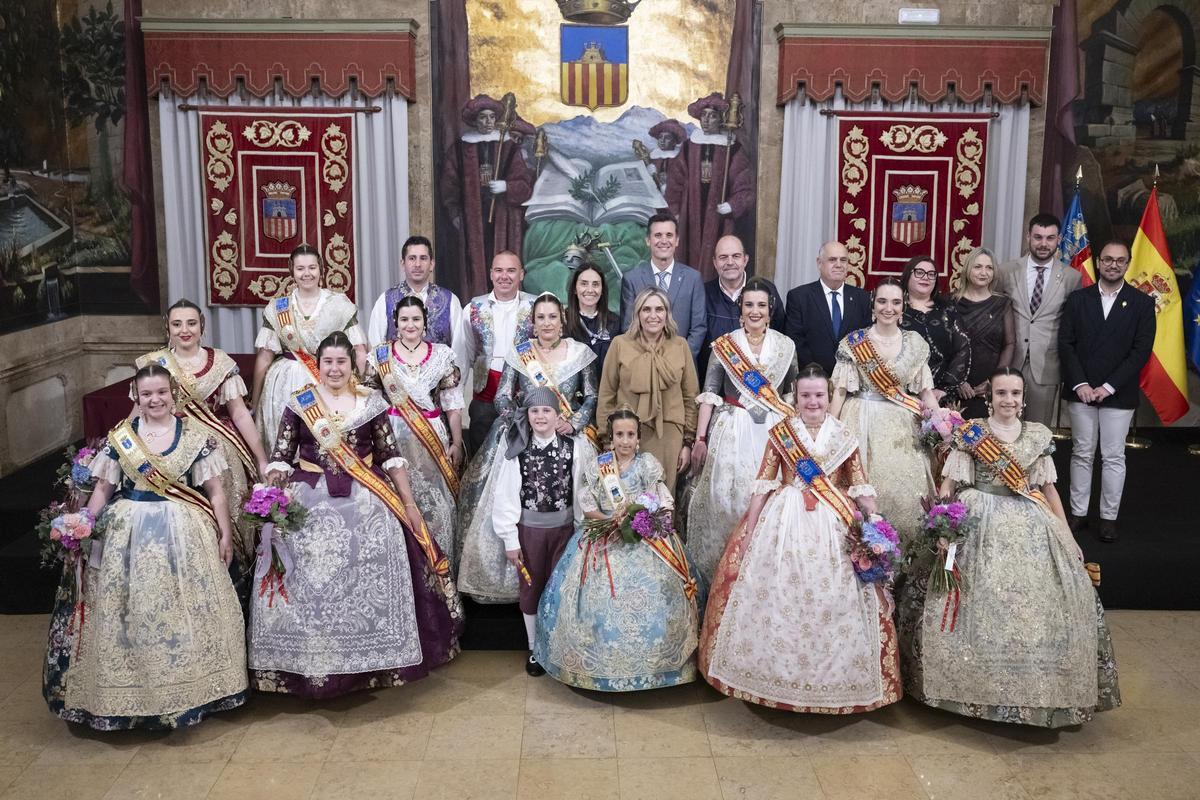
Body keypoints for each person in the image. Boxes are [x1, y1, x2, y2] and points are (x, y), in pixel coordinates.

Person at [897, 368, 1121, 727]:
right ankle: (969, 686)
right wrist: (943, 526)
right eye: (1001, 393)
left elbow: (1048, 491)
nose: (1008, 400)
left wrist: (1067, 535)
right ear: (990, 398)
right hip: (978, 518)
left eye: (1015, 393)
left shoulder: (1037, 436)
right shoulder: (972, 433)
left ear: (1024, 398)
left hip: (1030, 519)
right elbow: (948, 486)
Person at [251, 332, 463, 697]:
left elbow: (391, 458)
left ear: (353, 366)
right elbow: (281, 457)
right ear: (319, 365)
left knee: (383, 540)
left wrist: (409, 505)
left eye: (341, 362)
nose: (334, 369)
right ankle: (309, 659)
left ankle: (374, 661)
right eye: (328, 362)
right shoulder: (300, 402)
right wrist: (271, 499)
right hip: (308, 495)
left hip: (367, 496)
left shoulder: (371, 403)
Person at [44, 364, 247, 729]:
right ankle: (129, 693)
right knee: (131, 610)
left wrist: (225, 533)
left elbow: (215, 492)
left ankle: (193, 689)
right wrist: (84, 523)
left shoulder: (196, 437)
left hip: (185, 531)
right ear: (136, 397)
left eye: (162, 392)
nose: (155, 400)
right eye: (147, 394)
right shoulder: (122, 437)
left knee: (182, 609)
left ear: (174, 395)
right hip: (127, 533)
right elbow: (103, 489)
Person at [699, 364, 901, 713]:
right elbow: (763, 484)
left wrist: (876, 521)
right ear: (796, 397)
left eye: (819, 395)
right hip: (783, 521)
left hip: (833, 525)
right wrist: (749, 530)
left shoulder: (843, 435)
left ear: (829, 395)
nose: (812, 402)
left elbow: (859, 485)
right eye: (805, 395)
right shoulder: (782, 433)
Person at [536, 407, 701, 690]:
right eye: (619, 435)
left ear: (638, 438)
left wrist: (646, 519)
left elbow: (661, 499)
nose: (625, 441)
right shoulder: (599, 466)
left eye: (630, 435)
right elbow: (587, 504)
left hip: (644, 537)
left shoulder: (647, 464)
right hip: (605, 534)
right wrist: (610, 520)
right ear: (610, 438)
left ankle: (657, 665)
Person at [457, 292, 598, 604]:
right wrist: (522, 422)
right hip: (524, 435)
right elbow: (502, 397)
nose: (547, 323)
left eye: (552, 317)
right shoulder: (520, 354)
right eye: (540, 317)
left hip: (567, 435)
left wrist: (575, 422)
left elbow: (591, 397)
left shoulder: (581, 354)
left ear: (562, 320)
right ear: (532, 323)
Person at [135, 299, 269, 603]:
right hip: (166, 445)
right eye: (177, 324)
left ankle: (231, 580)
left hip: (215, 448)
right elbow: (138, 415)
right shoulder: (153, 363)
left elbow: (239, 414)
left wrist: (261, 458)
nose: (185, 330)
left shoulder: (220, 363)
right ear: (167, 327)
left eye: (191, 323)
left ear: (202, 326)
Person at [687, 278, 797, 584]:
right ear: (741, 309)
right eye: (749, 305)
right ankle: (725, 577)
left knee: (769, 502)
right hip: (732, 428)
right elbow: (710, 394)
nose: (755, 311)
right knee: (728, 501)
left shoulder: (785, 346)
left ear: (770, 310)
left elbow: (790, 397)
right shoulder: (725, 345)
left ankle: (762, 578)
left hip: (773, 432)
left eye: (761, 305)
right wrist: (700, 439)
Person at [1058, 240, 1156, 542]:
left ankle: (1108, 518)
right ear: (1099, 262)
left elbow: (1141, 351)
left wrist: (1109, 386)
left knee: (1113, 456)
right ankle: (1078, 514)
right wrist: (1081, 384)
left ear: (1127, 264)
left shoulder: (1142, 303)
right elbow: (1066, 344)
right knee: (1082, 453)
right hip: (1082, 392)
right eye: (1108, 259)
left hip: (1118, 393)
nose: (1113, 265)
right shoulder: (1078, 300)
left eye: (1120, 260)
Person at [830, 279, 938, 546]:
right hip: (860, 420)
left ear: (903, 307)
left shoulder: (915, 343)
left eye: (895, 302)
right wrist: (828, 431)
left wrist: (942, 423)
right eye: (882, 301)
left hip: (903, 426)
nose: (888, 308)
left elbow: (925, 392)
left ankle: (903, 558)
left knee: (905, 494)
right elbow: (840, 392)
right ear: (873, 306)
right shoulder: (854, 343)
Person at [367, 295, 466, 567]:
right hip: (392, 439)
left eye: (416, 319)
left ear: (425, 322)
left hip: (431, 438)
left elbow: (452, 403)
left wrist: (457, 442)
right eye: (404, 319)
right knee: (399, 503)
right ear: (395, 323)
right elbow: (370, 403)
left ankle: (441, 571)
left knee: (437, 505)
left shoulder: (442, 355)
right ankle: (408, 572)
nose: (410, 325)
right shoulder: (381, 356)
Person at [492, 387, 583, 676]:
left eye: (546, 410)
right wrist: (510, 539)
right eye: (534, 411)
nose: (540, 416)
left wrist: (580, 530)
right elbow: (506, 497)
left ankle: (556, 645)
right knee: (531, 588)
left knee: (560, 588)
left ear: (558, 415)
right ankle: (534, 648)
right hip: (529, 532)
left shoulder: (574, 448)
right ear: (527, 415)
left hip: (564, 532)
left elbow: (580, 492)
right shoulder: (518, 450)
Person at [251, 244, 367, 452]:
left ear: (321, 269)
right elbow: (264, 357)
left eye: (312, 268)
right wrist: (256, 399)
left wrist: (360, 387)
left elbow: (359, 349)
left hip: (330, 377)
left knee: (325, 446)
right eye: (300, 268)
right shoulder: (278, 307)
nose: (307, 274)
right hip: (284, 385)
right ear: (292, 271)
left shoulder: (339, 304)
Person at [599, 287, 699, 493]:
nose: (653, 315)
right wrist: (606, 439)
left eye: (659, 309)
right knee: (628, 496)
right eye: (646, 309)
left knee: (663, 497)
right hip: (628, 434)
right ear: (637, 314)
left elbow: (690, 396)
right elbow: (607, 393)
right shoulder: (620, 344)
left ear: (667, 314)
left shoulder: (680, 345)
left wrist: (687, 442)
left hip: (669, 435)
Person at [996, 213, 1082, 426]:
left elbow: (1073, 326)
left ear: (1058, 240)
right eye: (1038, 237)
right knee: (1003, 429)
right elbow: (995, 314)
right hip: (1009, 362)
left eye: (1050, 238)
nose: (1044, 244)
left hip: (1046, 366)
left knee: (1038, 432)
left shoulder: (1072, 277)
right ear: (1028, 237)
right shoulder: (1006, 271)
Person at [439, 94, 533, 287]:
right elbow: (450, 184)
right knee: (476, 262)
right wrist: (455, 213)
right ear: (475, 120)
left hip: (503, 217)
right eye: (483, 117)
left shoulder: (508, 147)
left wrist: (506, 186)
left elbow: (524, 185)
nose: (488, 122)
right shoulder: (460, 149)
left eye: (492, 117)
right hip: (473, 217)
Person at [454, 251, 536, 453]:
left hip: (526, 398)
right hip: (485, 398)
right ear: (491, 274)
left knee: (522, 457)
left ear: (521, 274)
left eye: (511, 270)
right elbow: (463, 357)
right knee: (482, 456)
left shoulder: (536, 306)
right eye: (499, 270)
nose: (504, 276)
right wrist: (455, 402)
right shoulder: (473, 308)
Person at [665, 92, 754, 275]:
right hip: (690, 214)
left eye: (712, 116)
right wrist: (675, 211)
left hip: (720, 217)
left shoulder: (732, 149)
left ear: (721, 119)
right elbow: (675, 181)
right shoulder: (689, 147)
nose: (706, 120)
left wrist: (732, 205)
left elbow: (744, 184)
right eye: (703, 115)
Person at [619, 212, 707, 360]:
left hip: (682, 365)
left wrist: (679, 359)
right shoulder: (632, 279)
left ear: (677, 240)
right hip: (644, 364)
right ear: (648, 240)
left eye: (669, 235)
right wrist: (651, 360)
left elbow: (699, 327)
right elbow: (628, 327)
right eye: (658, 235)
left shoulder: (693, 278)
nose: (664, 240)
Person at [700, 234, 785, 376]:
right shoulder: (703, 294)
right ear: (714, 262)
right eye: (723, 257)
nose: (730, 262)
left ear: (745, 260)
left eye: (736, 256)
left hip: (759, 381)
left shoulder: (767, 290)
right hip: (714, 379)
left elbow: (780, 335)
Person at [784, 241, 872, 375]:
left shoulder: (862, 298)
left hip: (852, 379)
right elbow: (795, 341)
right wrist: (816, 375)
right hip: (812, 379)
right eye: (832, 260)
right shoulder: (799, 297)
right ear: (819, 263)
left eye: (843, 260)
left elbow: (866, 339)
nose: (839, 264)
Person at [899, 255, 972, 406]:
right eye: (919, 272)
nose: (926, 277)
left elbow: (962, 349)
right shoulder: (895, 309)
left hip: (942, 396)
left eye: (931, 274)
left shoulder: (948, 310)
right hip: (903, 395)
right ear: (907, 276)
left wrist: (944, 388)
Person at [367, 235, 464, 347]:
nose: (418, 264)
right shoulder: (385, 300)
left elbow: (460, 350)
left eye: (423, 258)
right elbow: (375, 347)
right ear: (403, 264)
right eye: (412, 258)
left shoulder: (450, 301)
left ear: (431, 264)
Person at [953, 247, 1016, 419]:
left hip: (990, 389)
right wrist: (957, 381)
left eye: (989, 268)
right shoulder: (951, 302)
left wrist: (994, 381)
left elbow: (1009, 344)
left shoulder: (1003, 303)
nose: (983, 272)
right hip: (956, 388)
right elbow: (945, 347)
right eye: (978, 267)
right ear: (967, 269)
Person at [565, 262, 620, 367]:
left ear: (602, 289)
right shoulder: (563, 322)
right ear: (574, 289)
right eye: (584, 284)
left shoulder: (615, 323)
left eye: (595, 284)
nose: (590, 290)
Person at [647, 119, 686, 196]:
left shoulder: (681, 158)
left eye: (667, 137)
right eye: (660, 137)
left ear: (674, 141)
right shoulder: (653, 157)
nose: (662, 140)